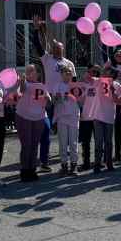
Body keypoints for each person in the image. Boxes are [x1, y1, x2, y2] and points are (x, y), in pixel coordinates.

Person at [35, 16, 77, 172]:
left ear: (63, 49)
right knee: (46, 130)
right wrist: (37, 30)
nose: (57, 49)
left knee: (64, 131)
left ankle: (67, 158)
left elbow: (74, 85)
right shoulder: (47, 59)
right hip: (49, 99)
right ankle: (44, 161)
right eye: (54, 47)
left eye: (59, 48)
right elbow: (38, 45)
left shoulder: (69, 63)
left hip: (64, 100)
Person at [14, 64, 49, 182]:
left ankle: (32, 169)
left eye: (32, 70)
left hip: (38, 117)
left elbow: (48, 100)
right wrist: (22, 81)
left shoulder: (42, 85)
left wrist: (49, 98)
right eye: (27, 70)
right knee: (26, 144)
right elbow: (22, 90)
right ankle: (25, 170)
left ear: (37, 74)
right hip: (24, 117)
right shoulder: (23, 83)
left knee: (34, 144)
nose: (29, 72)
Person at [93, 66, 121, 172]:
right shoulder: (98, 82)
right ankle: (97, 164)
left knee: (108, 142)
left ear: (113, 75)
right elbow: (87, 81)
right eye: (106, 73)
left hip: (109, 116)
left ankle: (109, 163)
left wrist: (112, 89)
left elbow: (119, 101)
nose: (107, 75)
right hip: (98, 116)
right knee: (98, 142)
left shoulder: (117, 85)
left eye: (110, 73)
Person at [52, 66, 81, 174]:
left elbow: (81, 100)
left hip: (73, 116)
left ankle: (74, 164)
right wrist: (58, 98)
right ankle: (64, 165)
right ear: (61, 74)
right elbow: (53, 101)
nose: (68, 74)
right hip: (62, 117)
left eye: (69, 72)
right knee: (63, 142)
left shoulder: (76, 85)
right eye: (65, 72)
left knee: (73, 142)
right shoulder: (57, 86)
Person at [77, 65, 99, 170]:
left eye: (94, 72)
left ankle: (98, 162)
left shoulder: (99, 82)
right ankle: (86, 163)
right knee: (86, 142)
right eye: (90, 72)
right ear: (87, 72)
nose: (92, 74)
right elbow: (78, 99)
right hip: (85, 116)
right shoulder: (81, 83)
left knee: (99, 141)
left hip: (97, 116)